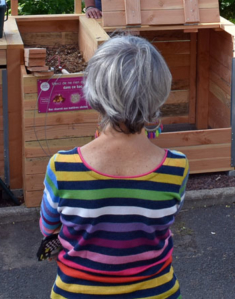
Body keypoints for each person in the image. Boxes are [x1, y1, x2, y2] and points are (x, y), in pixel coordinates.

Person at [39, 35, 189, 298]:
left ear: (95, 90)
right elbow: (162, 224)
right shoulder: (177, 167)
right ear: (159, 92)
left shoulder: (62, 166)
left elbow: (48, 227)